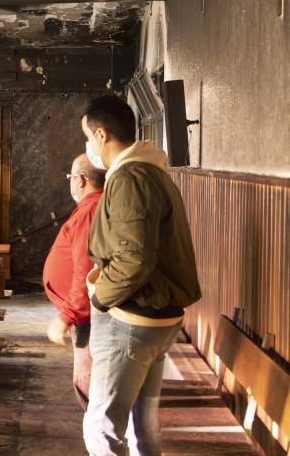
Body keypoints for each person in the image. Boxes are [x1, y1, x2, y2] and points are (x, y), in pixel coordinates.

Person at [80, 95, 201, 456]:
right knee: (141, 425)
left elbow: (134, 259)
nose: (87, 146)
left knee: (101, 430)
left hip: (132, 317)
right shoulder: (150, 171)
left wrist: (100, 298)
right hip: (155, 317)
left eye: (87, 136)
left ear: (101, 135)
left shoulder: (131, 178)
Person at [42, 153, 105, 409]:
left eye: (70, 177)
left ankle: (102, 445)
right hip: (87, 314)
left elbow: (87, 271)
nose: (70, 182)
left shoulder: (90, 211)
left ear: (79, 180)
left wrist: (66, 317)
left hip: (87, 317)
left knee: (88, 385)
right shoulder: (95, 206)